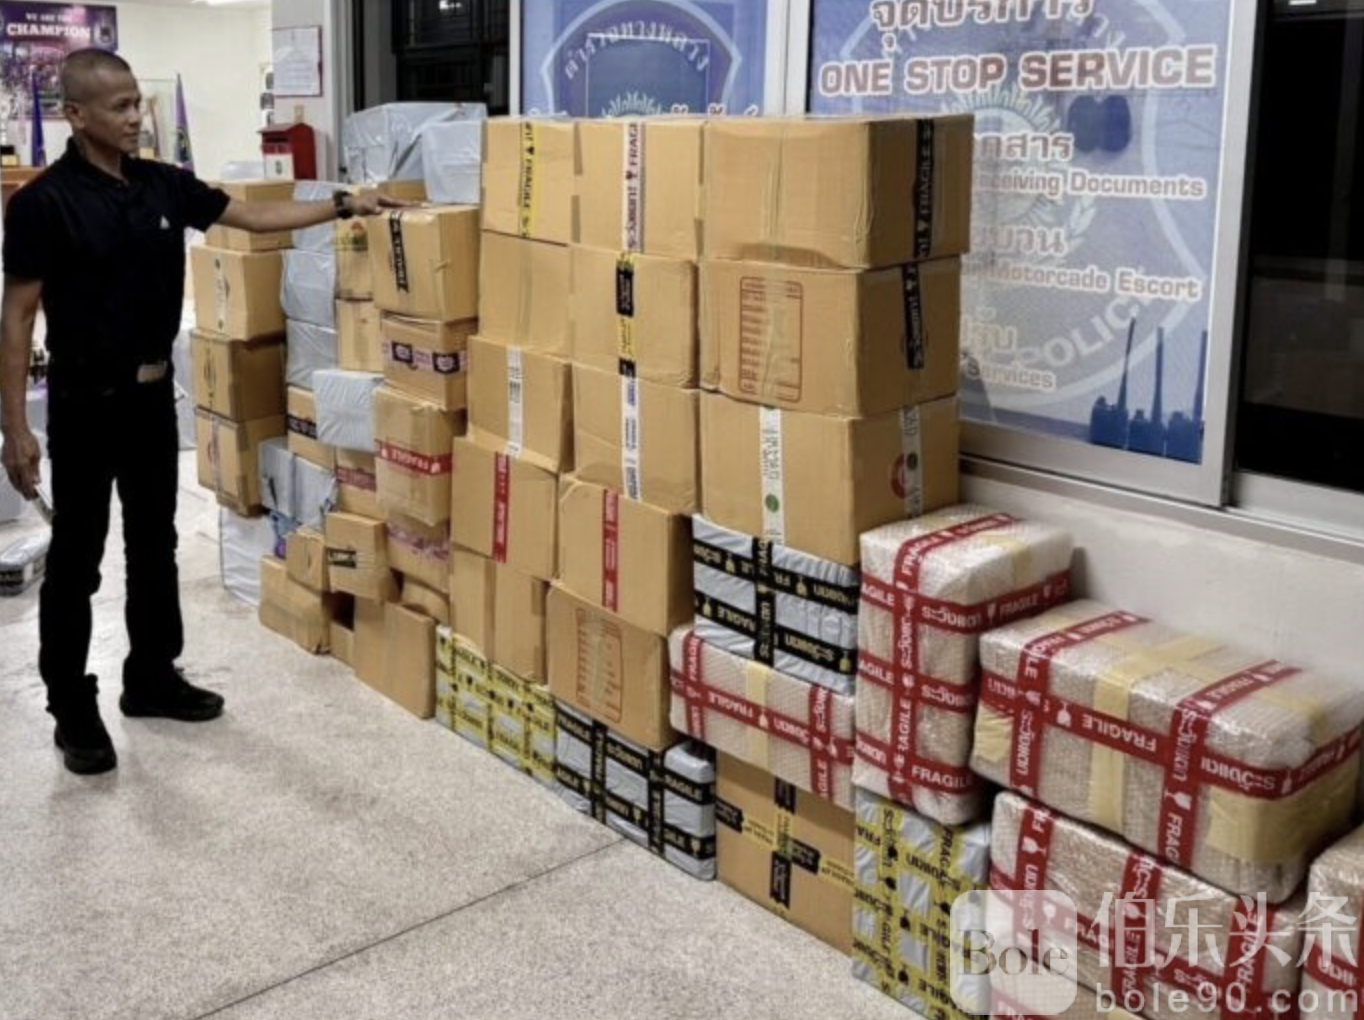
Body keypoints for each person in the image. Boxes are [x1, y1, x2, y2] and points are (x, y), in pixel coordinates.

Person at [0, 49, 406, 775]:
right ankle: (71, 705)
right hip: (84, 404)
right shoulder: (42, 204)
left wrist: (344, 203)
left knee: (154, 546)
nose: (135, 117)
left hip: (152, 399)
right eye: (120, 107)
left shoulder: (162, 184)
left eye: (136, 102)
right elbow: (17, 318)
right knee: (78, 559)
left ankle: (152, 677)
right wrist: (15, 429)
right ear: (76, 115)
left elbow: (251, 216)